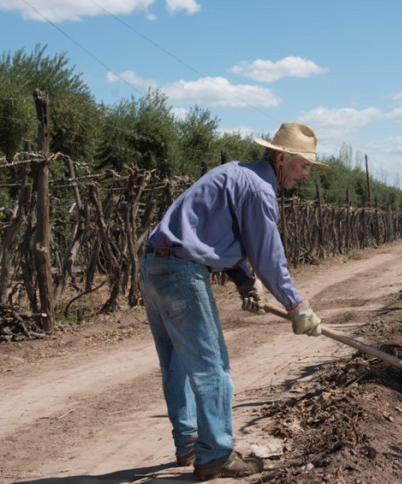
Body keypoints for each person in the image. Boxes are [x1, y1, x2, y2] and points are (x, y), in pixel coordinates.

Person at [139, 122, 326, 481]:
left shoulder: (236, 174)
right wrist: (297, 306)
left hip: (155, 264)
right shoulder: (258, 189)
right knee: (214, 368)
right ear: (282, 157)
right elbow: (269, 257)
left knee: (176, 361)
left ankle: (189, 443)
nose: (305, 175)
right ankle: (216, 457)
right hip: (181, 270)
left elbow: (219, 232)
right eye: (303, 166)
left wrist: (244, 283)